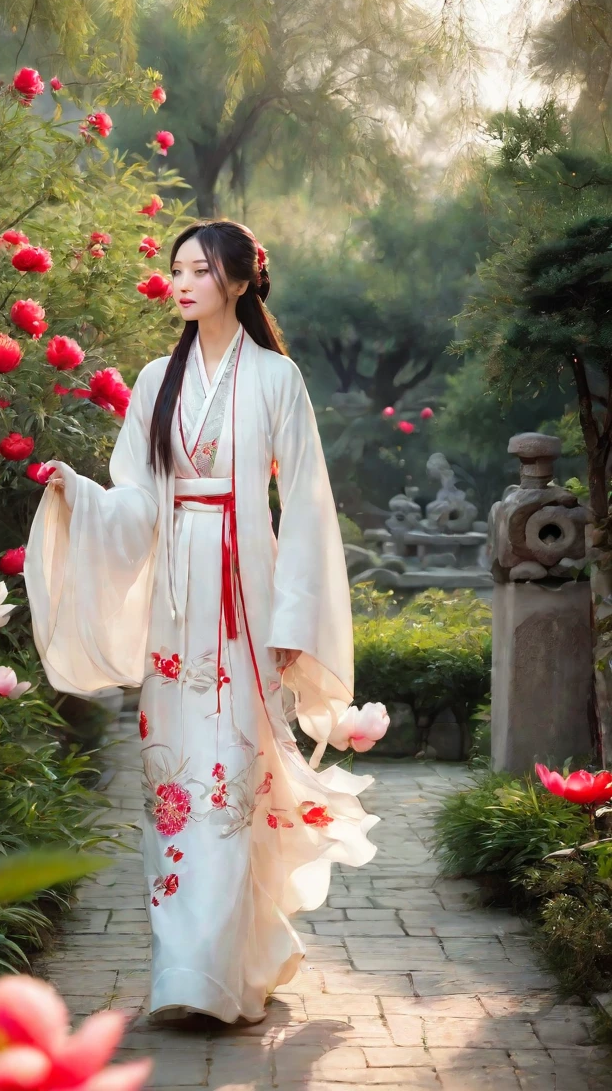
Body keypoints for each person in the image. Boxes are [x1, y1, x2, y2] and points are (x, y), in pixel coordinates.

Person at [25, 219, 379, 1025]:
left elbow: (309, 506)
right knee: (174, 784)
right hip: (175, 605)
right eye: (176, 268)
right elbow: (139, 498)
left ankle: (215, 975)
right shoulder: (157, 378)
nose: (182, 283)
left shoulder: (277, 380)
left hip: (246, 595)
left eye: (200, 270)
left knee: (230, 777)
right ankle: (190, 971)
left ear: (242, 282)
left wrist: (294, 614)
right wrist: (82, 493)